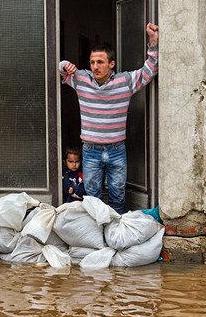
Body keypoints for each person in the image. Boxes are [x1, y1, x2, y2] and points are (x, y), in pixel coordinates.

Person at [58, 22, 159, 214]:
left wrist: (153, 42)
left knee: (117, 196)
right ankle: (97, 239)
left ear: (111, 64)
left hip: (116, 150)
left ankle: (117, 238)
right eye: (92, 62)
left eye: (100, 62)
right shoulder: (81, 79)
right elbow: (61, 70)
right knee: (92, 198)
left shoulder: (125, 82)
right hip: (90, 150)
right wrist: (65, 64)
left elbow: (149, 70)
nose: (95, 66)